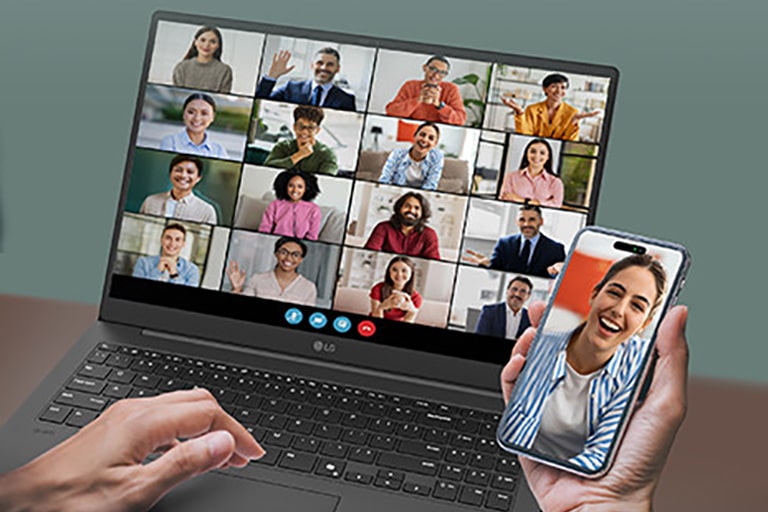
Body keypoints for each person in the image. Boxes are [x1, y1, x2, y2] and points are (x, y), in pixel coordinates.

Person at [500, 254, 667, 472]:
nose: (619, 310)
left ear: (644, 324)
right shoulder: (543, 345)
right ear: (594, 294)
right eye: (614, 293)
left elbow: (600, 453)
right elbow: (515, 432)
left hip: (574, 481)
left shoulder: (638, 365)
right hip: (518, 466)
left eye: (637, 306)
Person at [463, 204, 565, 278]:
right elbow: (495, 274)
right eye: (522, 220)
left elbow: (559, 280)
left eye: (532, 220)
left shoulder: (555, 249)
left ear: (541, 221)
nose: (526, 224)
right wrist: (488, 264)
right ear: (516, 222)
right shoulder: (504, 244)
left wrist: (559, 271)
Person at [501, 73, 600, 141]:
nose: (558, 91)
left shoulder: (572, 112)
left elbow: (569, 142)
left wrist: (575, 121)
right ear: (545, 89)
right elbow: (525, 135)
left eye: (563, 88)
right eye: (554, 86)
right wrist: (519, 112)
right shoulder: (532, 109)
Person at [255, 48, 356, 111]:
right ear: (312, 65)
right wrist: (272, 77)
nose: (324, 68)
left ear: (337, 69)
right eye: (319, 63)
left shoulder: (346, 99)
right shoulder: (290, 88)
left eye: (330, 65)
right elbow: (257, 103)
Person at [226, 236, 317, 306]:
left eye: (295, 255)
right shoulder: (257, 279)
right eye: (284, 252)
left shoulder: (309, 288)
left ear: (301, 259)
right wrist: (237, 289)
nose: (289, 258)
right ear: (276, 254)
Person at [385, 55, 467, 126]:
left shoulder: (451, 89)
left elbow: (460, 120)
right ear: (425, 68)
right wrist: (417, 101)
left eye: (442, 72)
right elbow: (391, 111)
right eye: (432, 69)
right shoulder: (410, 85)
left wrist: (439, 105)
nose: (436, 75)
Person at [139, 154, 218, 224]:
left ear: (198, 178)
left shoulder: (207, 211)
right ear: (170, 173)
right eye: (178, 170)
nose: (183, 175)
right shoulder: (150, 201)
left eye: (190, 172)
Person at [263, 105, 338, 175]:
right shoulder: (283, 146)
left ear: (317, 130)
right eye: (300, 126)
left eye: (311, 127)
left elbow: (326, 180)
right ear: (294, 127)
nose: (304, 131)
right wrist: (299, 155)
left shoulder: (327, 155)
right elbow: (266, 169)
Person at [364, 191, 440, 260]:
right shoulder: (383, 227)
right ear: (399, 208)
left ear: (423, 213)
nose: (411, 211)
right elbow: (369, 253)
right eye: (407, 206)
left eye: (417, 208)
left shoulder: (429, 234)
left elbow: (433, 261)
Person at [378, 121, 444, 190]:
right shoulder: (397, 153)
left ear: (435, 143)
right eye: (422, 135)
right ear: (415, 136)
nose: (425, 140)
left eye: (431, 138)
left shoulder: (437, 158)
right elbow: (384, 180)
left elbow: (430, 186)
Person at [258, 169, 322, 240]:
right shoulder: (274, 205)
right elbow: (265, 228)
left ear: (306, 188)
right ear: (285, 186)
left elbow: (312, 236)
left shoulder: (314, 210)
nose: (295, 190)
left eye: (300, 187)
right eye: (291, 186)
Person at [159, 93, 229, 158]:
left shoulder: (218, 150)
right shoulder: (170, 142)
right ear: (184, 114)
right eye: (191, 112)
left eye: (204, 113)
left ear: (212, 117)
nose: (197, 118)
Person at [500, 138, 564, 207]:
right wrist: (540, 203)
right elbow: (504, 199)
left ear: (547, 157)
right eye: (533, 151)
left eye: (542, 153)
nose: (537, 156)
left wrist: (523, 200)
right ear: (527, 154)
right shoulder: (510, 177)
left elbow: (557, 205)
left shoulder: (555, 182)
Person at [132, 223, 200, 286]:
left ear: (183, 244)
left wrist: (174, 275)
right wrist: (157, 271)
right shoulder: (143, 263)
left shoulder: (192, 270)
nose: (172, 244)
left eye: (177, 240)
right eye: (168, 238)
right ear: (161, 240)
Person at [172, 26, 233, 93]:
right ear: (195, 42)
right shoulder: (182, 68)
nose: (206, 45)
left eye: (212, 42)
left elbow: (222, 99)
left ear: (218, 46)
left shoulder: (224, 71)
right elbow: (177, 96)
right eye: (203, 40)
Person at [369, 256, 422, 323]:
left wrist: (412, 311)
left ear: (411, 273)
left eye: (404, 270)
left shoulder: (416, 298)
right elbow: (376, 317)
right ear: (389, 272)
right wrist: (381, 307)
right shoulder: (378, 289)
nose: (399, 274)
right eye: (394, 270)